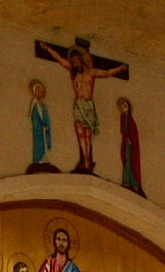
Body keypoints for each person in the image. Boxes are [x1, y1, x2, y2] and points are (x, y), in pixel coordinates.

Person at [34, 38, 128, 174]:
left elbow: (107, 73)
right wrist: (47, 48)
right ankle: (84, 159)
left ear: (81, 60)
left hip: (88, 105)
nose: (75, 63)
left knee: (88, 134)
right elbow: (60, 59)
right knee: (79, 132)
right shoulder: (73, 72)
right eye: (73, 61)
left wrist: (120, 68)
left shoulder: (91, 72)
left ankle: (88, 160)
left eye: (77, 60)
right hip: (79, 104)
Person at [116, 97, 142, 194]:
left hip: (131, 145)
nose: (124, 107)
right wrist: (126, 137)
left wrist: (131, 139)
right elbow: (123, 130)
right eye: (122, 106)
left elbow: (134, 132)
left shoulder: (130, 119)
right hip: (126, 144)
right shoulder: (123, 118)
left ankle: (133, 182)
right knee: (126, 162)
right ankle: (126, 181)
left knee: (130, 162)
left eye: (125, 105)